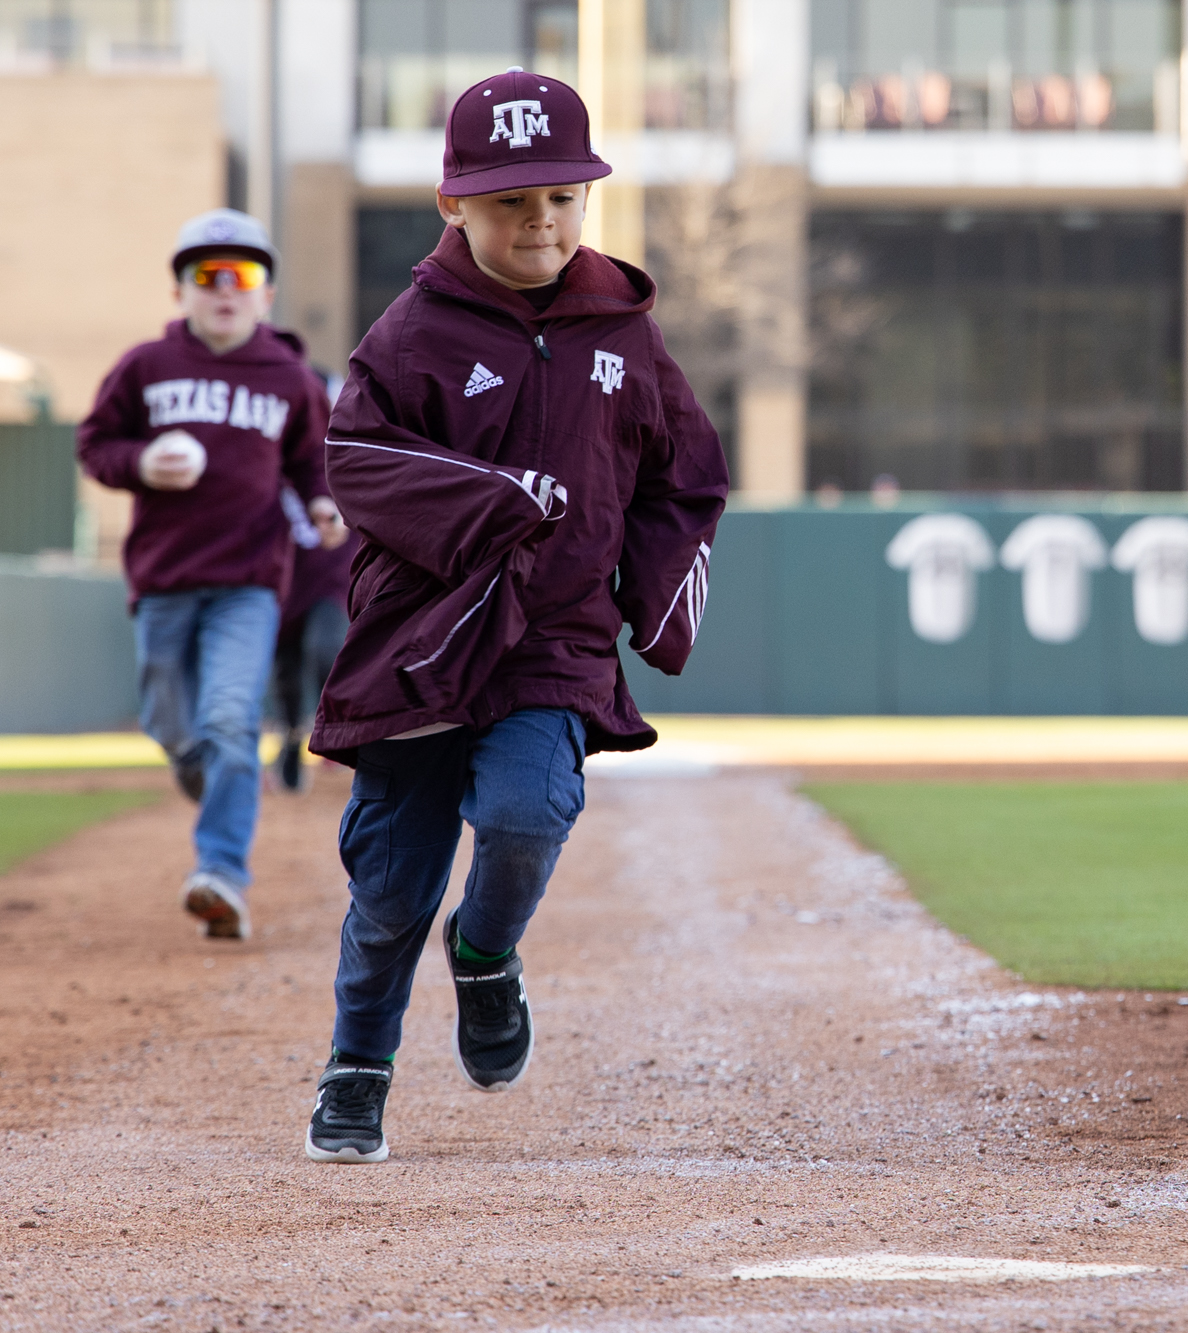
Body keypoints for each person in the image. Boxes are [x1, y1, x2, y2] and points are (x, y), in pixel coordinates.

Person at [301, 68, 728, 1164]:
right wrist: (488, 506)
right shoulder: (409, 335)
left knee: (530, 814)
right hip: (421, 647)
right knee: (391, 888)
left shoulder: (625, 333)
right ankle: (358, 1065)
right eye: (508, 201)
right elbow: (354, 458)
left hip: (555, 642)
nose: (539, 220)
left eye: (560, 198)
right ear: (453, 203)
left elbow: (682, 477)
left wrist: (657, 590)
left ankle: (485, 954)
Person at [78, 209, 346, 942]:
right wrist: (139, 463)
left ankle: (222, 873)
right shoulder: (145, 367)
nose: (225, 289)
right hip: (162, 580)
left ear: (266, 295)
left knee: (229, 717)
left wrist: (323, 503)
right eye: (207, 275)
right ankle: (217, 773)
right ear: (180, 292)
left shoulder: (289, 378)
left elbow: (310, 458)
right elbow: (96, 443)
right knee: (171, 721)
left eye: (245, 275)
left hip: (249, 583)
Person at [270, 484, 356, 792]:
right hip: (283, 583)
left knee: (325, 649)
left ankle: (334, 730)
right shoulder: (278, 460)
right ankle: (291, 742)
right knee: (286, 678)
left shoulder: (343, 451)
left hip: (333, 580)